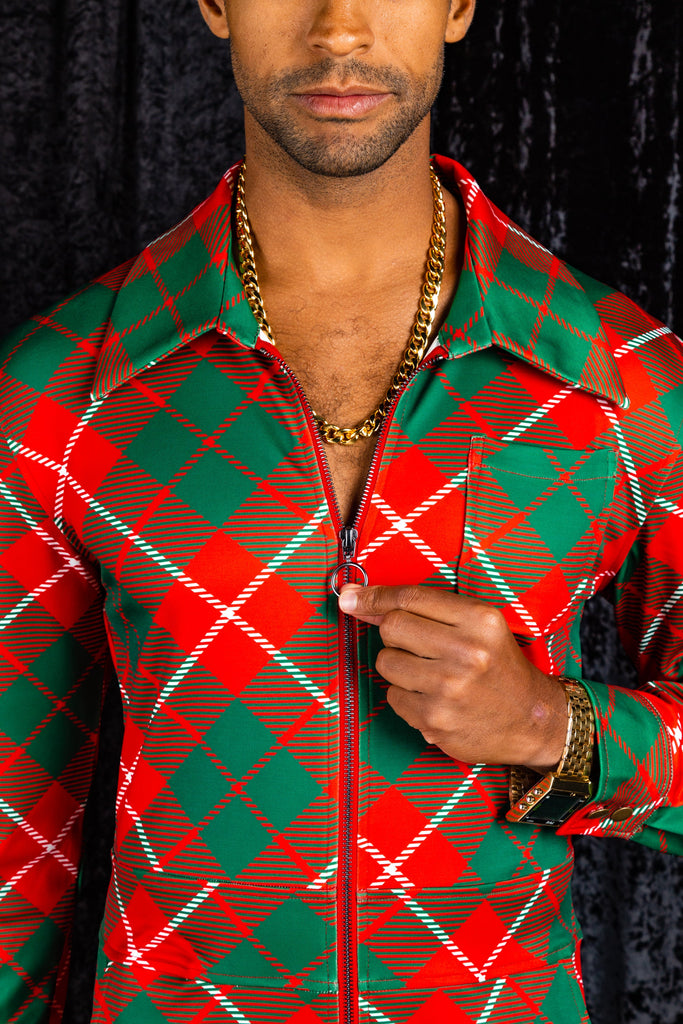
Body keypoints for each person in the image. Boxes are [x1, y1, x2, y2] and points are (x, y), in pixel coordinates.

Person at [1, 1, 682, 1022]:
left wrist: (552, 726)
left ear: (457, 6)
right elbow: (12, 837)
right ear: (216, 4)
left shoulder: (621, 380)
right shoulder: (61, 391)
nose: (339, 30)